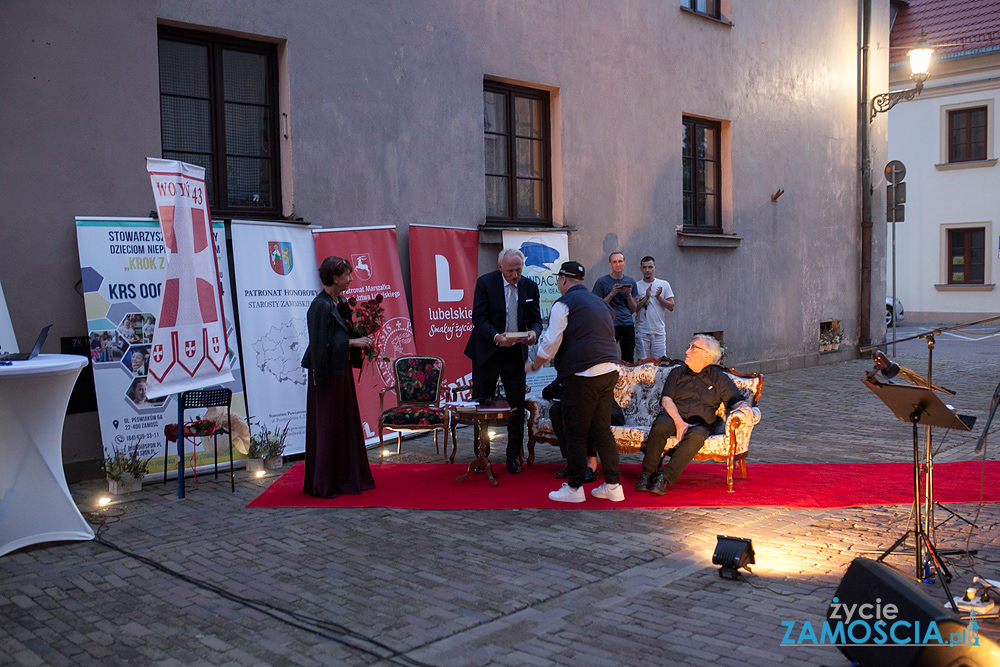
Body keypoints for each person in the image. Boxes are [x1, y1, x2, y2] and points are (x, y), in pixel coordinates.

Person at [527, 261, 623, 503]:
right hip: (609, 370)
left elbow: (550, 342)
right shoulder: (600, 303)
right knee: (602, 430)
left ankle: (574, 489)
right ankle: (613, 486)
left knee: (576, 432)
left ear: (562, 280)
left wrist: (535, 364)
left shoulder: (564, 303)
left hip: (582, 376)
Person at [635, 335, 754, 495]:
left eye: (693, 348)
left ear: (706, 355)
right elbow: (666, 400)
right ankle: (647, 474)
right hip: (673, 417)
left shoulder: (719, 378)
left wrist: (745, 408)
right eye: (688, 346)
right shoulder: (677, 372)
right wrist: (679, 422)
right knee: (661, 424)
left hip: (700, 424)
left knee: (699, 434)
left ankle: (663, 477)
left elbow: (736, 401)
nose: (687, 351)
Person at [300, 255, 376, 499]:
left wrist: (363, 336)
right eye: (347, 275)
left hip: (341, 373)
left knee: (344, 426)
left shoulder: (339, 301)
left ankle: (346, 476)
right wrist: (353, 342)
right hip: (326, 377)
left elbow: (344, 331)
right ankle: (326, 482)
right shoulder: (319, 306)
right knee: (329, 427)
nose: (351, 279)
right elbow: (320, 345)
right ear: (334, 277)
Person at [464, 248, 543, 474]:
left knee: (516, 406)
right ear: (500, 268)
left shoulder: (530, 287)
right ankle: (482, 455)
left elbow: (536, 320)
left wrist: (534, 334)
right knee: (482, 404)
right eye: (510, 271)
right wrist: (496, 337)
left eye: (518, 270)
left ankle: (512, 457)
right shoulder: (485, 283)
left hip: (514, 354)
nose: (515, 275)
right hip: (488, 351)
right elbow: (478, 319)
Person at [591, 251, 638, 363]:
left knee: (628, 357)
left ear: (624, 263)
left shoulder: (630, 281)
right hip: (609, 324)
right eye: (615, 262)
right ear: (610, 264)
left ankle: (628, 379)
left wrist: (628, 294)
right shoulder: (602, 281)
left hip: (627, 324)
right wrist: (612, 293)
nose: (618, 264)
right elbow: (597, 307)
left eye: (620, 261)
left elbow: (633, 309)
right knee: (607, 356)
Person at [634, 256, 674, 361]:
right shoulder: (636, 286)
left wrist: (658, 297)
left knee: (660, 363)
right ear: (641, 269)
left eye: (650, 267)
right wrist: (646, 297)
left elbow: (671, 306)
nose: (647, 270)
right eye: (645, 267)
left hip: (658, 332)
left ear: (654, 268)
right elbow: (633, 309)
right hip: (642, 331)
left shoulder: (664, 284)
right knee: (642, 364)